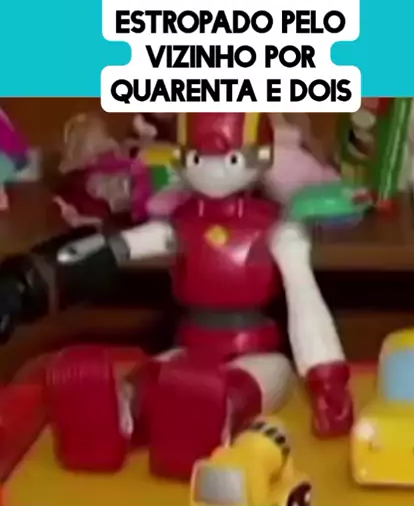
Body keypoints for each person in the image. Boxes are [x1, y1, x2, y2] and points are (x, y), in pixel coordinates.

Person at [0, 112, 353, 479]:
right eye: (198, 158)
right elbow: (112, 248)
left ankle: (216, 418)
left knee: (243, 385)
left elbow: (306, 304)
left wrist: (327, 378)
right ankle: (117, 416)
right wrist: (27, 283)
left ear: (260, 156)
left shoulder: (279, 232)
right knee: (156, 378)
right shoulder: (180, 225)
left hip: (254, 353)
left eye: (230, 159)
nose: (213, 171)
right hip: (189, 351)